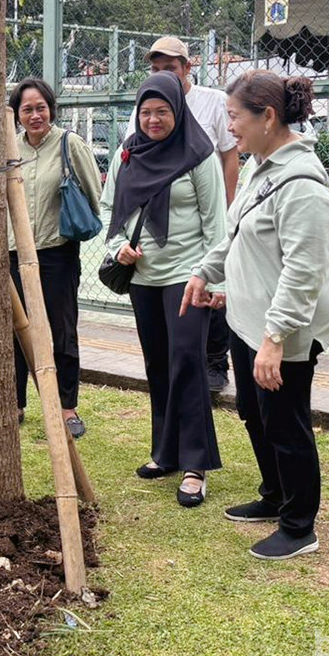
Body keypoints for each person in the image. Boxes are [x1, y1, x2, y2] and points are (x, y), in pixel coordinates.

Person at [182, 71, 329, 561]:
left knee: (285, 420)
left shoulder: (303, 185)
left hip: (286, 326)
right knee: (255, 412)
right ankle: (275, 495)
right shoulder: (262, 166)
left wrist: (275, 337)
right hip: (249, 317)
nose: (229, 127)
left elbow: (303, 271)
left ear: (267, 117)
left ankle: (300, 526)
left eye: (235, 117)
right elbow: (235, 234)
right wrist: (206, 273)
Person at [101, 71, 227, 506]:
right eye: (146, 112)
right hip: (143, 278)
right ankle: (166, 452)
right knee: (157, 364)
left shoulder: (199, 154)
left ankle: (195, 464)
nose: (153, 120)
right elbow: (110, 208)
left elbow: (216, 225)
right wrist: (118, 247)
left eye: (163, 111)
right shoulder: (128, 154)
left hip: (188, 275)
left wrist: (213, 278)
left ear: (178, 111)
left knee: (187, 363)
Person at [126, 36, 239, 393]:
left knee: (211, 284)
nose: (164, 74)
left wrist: (225, 207)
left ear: (187, 67)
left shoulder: (213, 102)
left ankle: (216, 361)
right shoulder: (145, 105)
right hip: (159, 219)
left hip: (206, 209)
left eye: (171, 68)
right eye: (156, 69)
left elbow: (229, 156)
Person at [8, 78, 102, 439]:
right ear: (17, 114)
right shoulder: (9, 146)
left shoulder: (68, 143)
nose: (35, 115)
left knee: (61, 330)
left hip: (56, 252)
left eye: (40, 107)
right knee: (17, 331)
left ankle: (67, 407)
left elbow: (93, 193)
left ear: (51, 108)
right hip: (15, 252)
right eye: (27, 109)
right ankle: (16, 403)